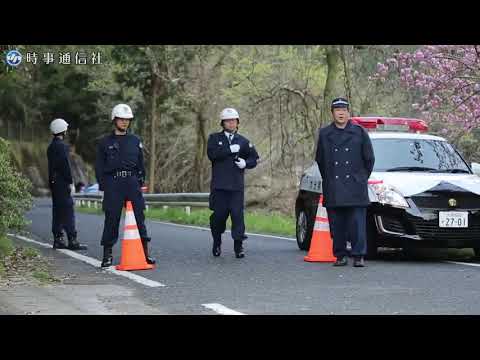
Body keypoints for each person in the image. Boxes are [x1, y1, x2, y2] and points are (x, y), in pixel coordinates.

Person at [315, 98, 375, 267]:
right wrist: (329, 178)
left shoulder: (359, 132)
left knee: (357, 224)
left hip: (355, 186)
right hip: (334, 186)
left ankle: (358, 255)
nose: (341, 113)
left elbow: (369, 158)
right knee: (337, 224)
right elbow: (320, 159)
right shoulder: (325, 133)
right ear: (332, 113)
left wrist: (361, 178)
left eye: (344, 110)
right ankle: (340, 255)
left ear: (349, 112)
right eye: (337, 110)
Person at [95, 104, 155, 267]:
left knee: (139, 217)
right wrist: (103, 185)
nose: (124, 123)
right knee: (111, 218)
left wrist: (140, 181)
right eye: (121, 119)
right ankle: (107, 254)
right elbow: (99, 166)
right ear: (114, 120)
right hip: (113, 183)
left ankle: (144, 253)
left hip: (132, 182)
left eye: (127, 120)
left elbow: (140, 163)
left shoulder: (135, 140)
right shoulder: (104, 142)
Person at [207, 108, 259, 258]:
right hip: (220, 187)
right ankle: (217, 242)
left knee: (238, 217)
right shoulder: (214, 139)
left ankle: (238, 246)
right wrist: (229, 149)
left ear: (237, 123)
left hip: (236, 187)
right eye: (228, 121)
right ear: (223, 123)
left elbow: (254, 158)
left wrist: (246, 163)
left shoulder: (243, 141)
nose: (231, 123)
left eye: (234, 121)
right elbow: (212, 155)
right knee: (218, 217)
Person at [47, 118, 87, 250]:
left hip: (54, 182)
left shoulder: (51, 147)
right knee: (68, 210)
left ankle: (58, 239)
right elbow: (65, 166)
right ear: (62, 131)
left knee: (57, 211)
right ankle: (72, 240)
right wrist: (71, 182)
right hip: (62, 182)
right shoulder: (62, 147)